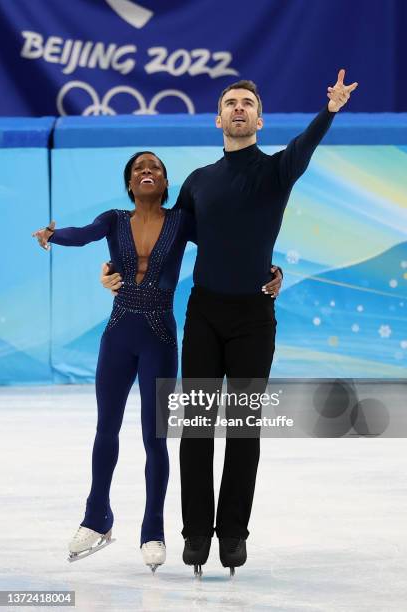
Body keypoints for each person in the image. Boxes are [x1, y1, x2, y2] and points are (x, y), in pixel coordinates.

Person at [102, 69, 358, 576]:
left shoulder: (276, 171)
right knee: (196, 427)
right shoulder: (198, 182)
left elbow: (305, 146)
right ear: (218, 118)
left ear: (259, 119)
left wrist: (329, 110)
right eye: (230, 102)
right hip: (204, 314)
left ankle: (233, 533)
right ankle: (196, 533)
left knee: (243, 429)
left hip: (253, 318)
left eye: (247, 102)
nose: (239, 108)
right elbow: (163, 237)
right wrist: (119, 272)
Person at [32, 151, 196, 572]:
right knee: (106, 429)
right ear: (129, 183)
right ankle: (96, 518)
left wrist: (267, 268)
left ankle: (153, 529)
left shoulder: (181, 221)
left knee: (153, 438)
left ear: (165, 182)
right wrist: (53, 235)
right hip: (119, 334)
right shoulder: (113, 219)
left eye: (155, 168)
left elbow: (228, 248)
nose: (147, 172)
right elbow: (83, 233)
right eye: (139, 169)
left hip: (160, 337)